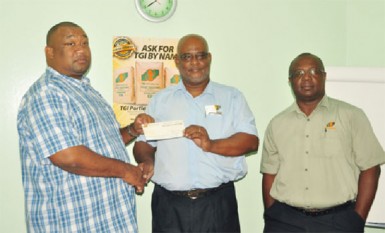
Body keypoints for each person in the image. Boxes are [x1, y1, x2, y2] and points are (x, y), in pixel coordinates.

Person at [17, 22, 153, 232]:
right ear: (49, 52)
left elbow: (104, 142)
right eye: (70, 43)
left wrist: (132, 130)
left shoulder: (87, 92)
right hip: (74, 224)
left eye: (85, 42)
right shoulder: (47, 94)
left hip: (109, 221)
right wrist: (127, 171)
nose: (81, 49)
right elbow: (69, 157)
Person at [133, 34, 259, 232]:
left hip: (217, 204)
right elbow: (143, 143)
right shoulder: (160, 100)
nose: (195, 63)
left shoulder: (232, 97)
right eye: (187, 57)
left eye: (200, 56)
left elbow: (251, 141)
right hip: (169, 206)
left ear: (209, 58)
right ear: (177, 61)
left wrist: (211, 145)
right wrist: (147, 161)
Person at [260, 52, 385, 232]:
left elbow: (371, 168)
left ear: (324, 76)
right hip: (285, 221)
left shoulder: (351, 116)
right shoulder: (277, 124)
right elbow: (269, 173)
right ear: (290, 81)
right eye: (299, 73)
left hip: (337, 221)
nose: (306, 77)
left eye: (313, 71)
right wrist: (272, 212)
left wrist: (357, 218)